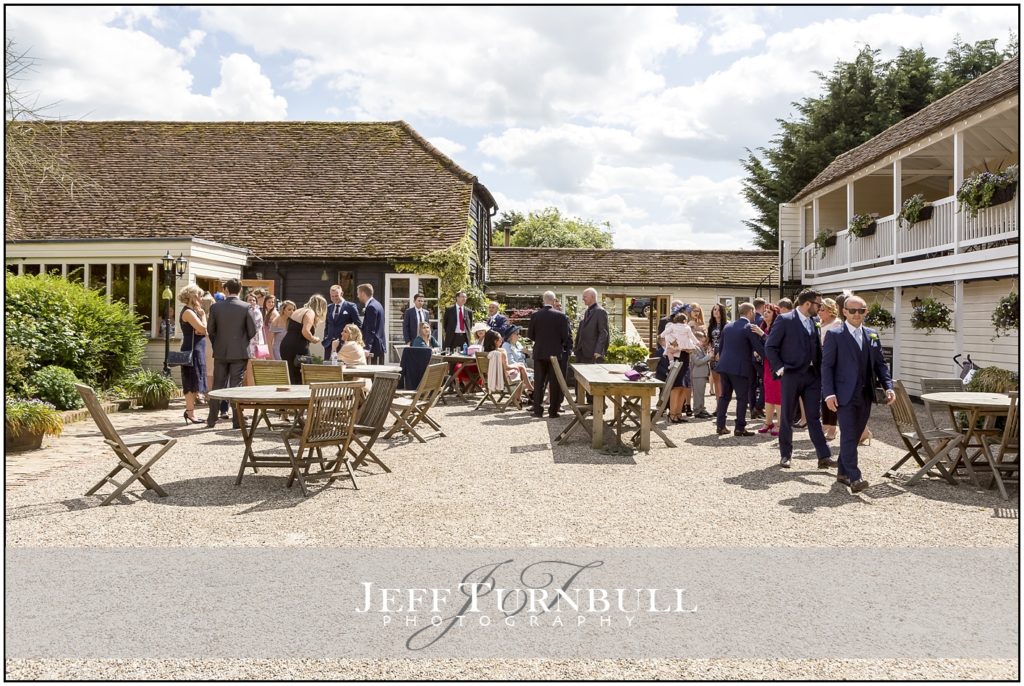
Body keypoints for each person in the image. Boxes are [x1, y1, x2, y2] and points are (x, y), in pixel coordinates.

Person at [822, 295, 895, 493]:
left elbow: (880, 365)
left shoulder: (872, 335)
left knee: (855, 435)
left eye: (860, 310)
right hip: (843, 394)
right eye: (852, 310)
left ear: (866, 312)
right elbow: (827, 366)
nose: (856, 314)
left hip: (865, 394)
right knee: (847, 434)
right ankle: (855, 477)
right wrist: (828, 394)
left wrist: (888, 386)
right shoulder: (835, 335)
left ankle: (842, 473)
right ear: (844, 312)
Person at [764, 289, 836, 469]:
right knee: (787, 417)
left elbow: (817, 350)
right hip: (791, 375)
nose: (820, 309)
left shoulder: (814, 322)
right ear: (807, 304)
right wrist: (780, 369)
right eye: (818, 305)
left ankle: (823, 456)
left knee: (813, 417)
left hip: (812, 377)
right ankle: (786, 455)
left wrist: (822, 373)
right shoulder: (785, 319)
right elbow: (770, 346)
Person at [205, 278, 256, 428]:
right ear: (240, 290)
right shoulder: (246, 307)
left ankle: (211, 419)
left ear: (226, 290)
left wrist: (218, 343)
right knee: (236, 385)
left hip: (221, 351)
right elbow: (252, 331)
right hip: (239, 352)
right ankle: (237, 420)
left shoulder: (216, 307)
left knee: (217, 385)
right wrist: (241, 341)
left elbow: (211, 330)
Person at [713, 302, 766, 437]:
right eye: (753, 312)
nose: (754, 314)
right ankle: (740, 427)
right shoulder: (749, 327)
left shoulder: (728, 326)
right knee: (742, 398)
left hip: (725, 366)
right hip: (740, 368)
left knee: (724, 396)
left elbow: (721, 347)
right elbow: (758, 348)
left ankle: (720, 425)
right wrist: (770, 357)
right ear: (750, 312)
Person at [527, 291, 572, 418]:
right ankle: (553, 411)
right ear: (553, 301)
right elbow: (565, 336)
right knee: (554, 383)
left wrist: (541, 340)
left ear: (543, 300)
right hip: (555, 353)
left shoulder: (536, 315)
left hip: (540, 352)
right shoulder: (561, 316)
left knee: (539, 383)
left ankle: (538, 410)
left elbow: (530, 335)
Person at [660, 311, 700, 423]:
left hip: (686, 358)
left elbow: (692, 346)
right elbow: (666, 342)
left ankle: (679, 414)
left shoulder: (686, 330)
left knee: (684, 386)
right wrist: (678, 347)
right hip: (676, 359)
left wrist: (685, 347)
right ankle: (672, 414)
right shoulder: (670, 329)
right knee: (676, 386)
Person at [177, 284, 208, 425]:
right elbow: (203, 329)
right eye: (199, 296)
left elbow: (201, 331)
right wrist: (203, 316)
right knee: (190, 381)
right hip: (191, 350)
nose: (201, 299)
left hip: (197, 348)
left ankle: (191, 412)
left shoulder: (192, 311)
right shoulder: (188, 312)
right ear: (193, 297)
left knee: (195, 380)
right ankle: (190, 412)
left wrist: (201, 327)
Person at [280, 294, 326, 384]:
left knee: (291, 375)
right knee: (305, 374)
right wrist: (314, 339)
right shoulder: (310, 312)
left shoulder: (299, 310)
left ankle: (291, 396)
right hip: (298, 347)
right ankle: (303, 396)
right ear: (320, 307)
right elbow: (305, 331)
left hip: (286, 345)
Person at [818, 298, 843, 440]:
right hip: (822, 361)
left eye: (822, 309)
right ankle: (825, 423)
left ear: (830, 310)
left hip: (833, 362)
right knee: (823, 395)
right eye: (819, 309)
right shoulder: (820, 323)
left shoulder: (837, 323)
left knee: (831, 394)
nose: (819, 312)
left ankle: (833, 427)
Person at [757, 304, 783, 436]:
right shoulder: (763, 327)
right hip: (766, 364)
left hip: (776, 364)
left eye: (769, 312)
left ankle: (779, 423)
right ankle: (768, 422)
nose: (765, 314)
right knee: (768, 393)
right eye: (764, 311)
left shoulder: (776, 328)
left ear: (775, 314)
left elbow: (774, 345)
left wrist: (762, 334)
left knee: (777, 393)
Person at [483, 330, 525, 406]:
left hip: (488, 378)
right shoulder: (501, 351)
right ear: (495, 341)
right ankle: (517, 399)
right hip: (502, 379)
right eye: (500, 339)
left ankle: (519, 398)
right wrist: (517, 365)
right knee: (520, 370)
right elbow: (507, 367)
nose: (502, 340)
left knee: (520, 368)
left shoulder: (483, 353)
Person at [324, 285, 361, 358]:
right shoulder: (329, 307)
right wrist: (325, 338)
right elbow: (327, 325)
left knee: (342, 367)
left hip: (344, 344)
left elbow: (358, 325)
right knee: (328, 367)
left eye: (336, 296)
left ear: (342, 294)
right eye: (332, 296)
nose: (334, 298)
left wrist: (354, 341)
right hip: (329, 345)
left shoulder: (350, 306)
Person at [574, 288, 609, 364]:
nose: (583, 299)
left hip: (593, 354)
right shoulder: (587, 311)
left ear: (592, 297)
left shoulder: (600, 312)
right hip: (582, 352)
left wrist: (598, 351)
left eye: (585, 296)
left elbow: (603, 333)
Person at [357, 283, 386, 364]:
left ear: (363, 293)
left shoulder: (371, 307)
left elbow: (371, 329)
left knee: (372, 374)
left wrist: (367, 348)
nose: (358, 296)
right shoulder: (378, 304)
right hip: (379, 345)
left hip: (374, 348)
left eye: (358, 293)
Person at [502, 325, 534, 394]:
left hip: (522, 369)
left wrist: (528, 352)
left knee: (539, 374)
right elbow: (510, 362)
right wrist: (525, 368)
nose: (519, 336)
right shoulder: (506, 346)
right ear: (510, 336)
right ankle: (517, 396)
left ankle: (531, 394)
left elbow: (524, 354)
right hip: (514, 372)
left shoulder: (518, 344)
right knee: (536, 376)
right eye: (517, 334)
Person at [706, 303, 728, 400]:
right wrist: (710, 350)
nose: (716, 311)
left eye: (718, 310)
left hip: (723, 354)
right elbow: (709, 340)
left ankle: (722, 407)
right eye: (714, 309)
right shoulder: (711, 325)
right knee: (715, 380)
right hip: (713, 355)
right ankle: (718, 406)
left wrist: (721, 353)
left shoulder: (727, 325)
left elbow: (728, 341)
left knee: (722, 381)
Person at [689, 330, 713, 419]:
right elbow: (698, 362)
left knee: (701, 393)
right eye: (702, 340)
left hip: (702, 373)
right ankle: (697, 410)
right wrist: (709, 356)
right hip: (697, 374)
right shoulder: (693, 348)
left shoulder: (700, 347)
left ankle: (702, 408)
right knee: (698, 394)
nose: (703, 342)